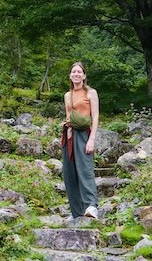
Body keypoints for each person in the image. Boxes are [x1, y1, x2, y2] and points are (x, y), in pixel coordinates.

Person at [61, 61, 99, 220]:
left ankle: (91, 206)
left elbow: (95, 116)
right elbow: (68, 116)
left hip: (84, 133)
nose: (76, 74)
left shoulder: (90, 93)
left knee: (85, 170)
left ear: (84, 75)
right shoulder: (67, 95)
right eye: (73, 72)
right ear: (70, 76)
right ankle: (76, 212)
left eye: (79, 72)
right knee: (70, 174)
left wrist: (91, 139)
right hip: (69, 134)